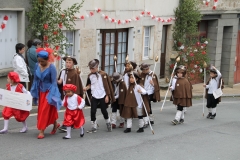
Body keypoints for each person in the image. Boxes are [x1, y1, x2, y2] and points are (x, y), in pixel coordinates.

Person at [30, 48, 61, 139]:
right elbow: (35, 80)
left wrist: (52, 94)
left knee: (45, 110)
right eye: (39, 61)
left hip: (49, 92)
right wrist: (34, 91)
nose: (40, 63)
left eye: (42, 61)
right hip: (40, 91)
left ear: (47, 59)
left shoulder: (52, 68)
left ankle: (41, 130)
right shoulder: (37, 65)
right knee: (44, 110)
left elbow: (54, 82)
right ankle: (55, 124)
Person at [83, 59, 115, 133]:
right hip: (94, 95)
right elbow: (89, 84)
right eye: (90, 68)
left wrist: (107, 96)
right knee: (92, 111)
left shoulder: (103, 74)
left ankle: (108, 123)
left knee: (104, 110)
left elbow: (107, 86)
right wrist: (86, 88)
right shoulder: (90, 76)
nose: (91, 70)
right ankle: (93, 126)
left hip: (102, 95)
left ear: (97, 67)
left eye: (93, 68)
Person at [58, 56, 83, 132]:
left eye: (70, 62)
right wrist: (53, 79)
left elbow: (77, 85)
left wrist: (75, 96)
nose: (68, 64)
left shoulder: (75, 73)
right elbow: (60, 81)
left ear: (73, 63)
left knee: (71, 110)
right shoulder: (63, 71)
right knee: (68, 109)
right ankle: (70, 124)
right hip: (65, 93)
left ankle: (68, 124)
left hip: (72, 95)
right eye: (67, 62)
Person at [139, 63, 161, 127]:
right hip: (144, 92)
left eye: (144, 70)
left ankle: (146, 121)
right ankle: (151, 120)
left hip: (149, 93)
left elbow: (157, 86)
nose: (143, 71)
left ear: (147, 69)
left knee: (145, 106)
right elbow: (140, 82)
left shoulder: (153, 75)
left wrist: (153, 84)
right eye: (142, 70)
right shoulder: (142, 74)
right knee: (148, 106)